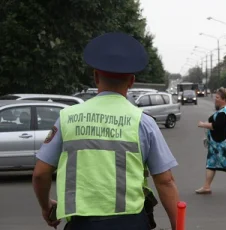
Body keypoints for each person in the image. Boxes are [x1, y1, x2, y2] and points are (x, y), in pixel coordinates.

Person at [32, 32, 179, 230]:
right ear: (131, 81)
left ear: (95, 77)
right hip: (131, 223)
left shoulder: (67, 118)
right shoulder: (143, 122)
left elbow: (41, 174)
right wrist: (177, 226)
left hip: (81, 225)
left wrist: (46, 206)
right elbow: (165, 182)